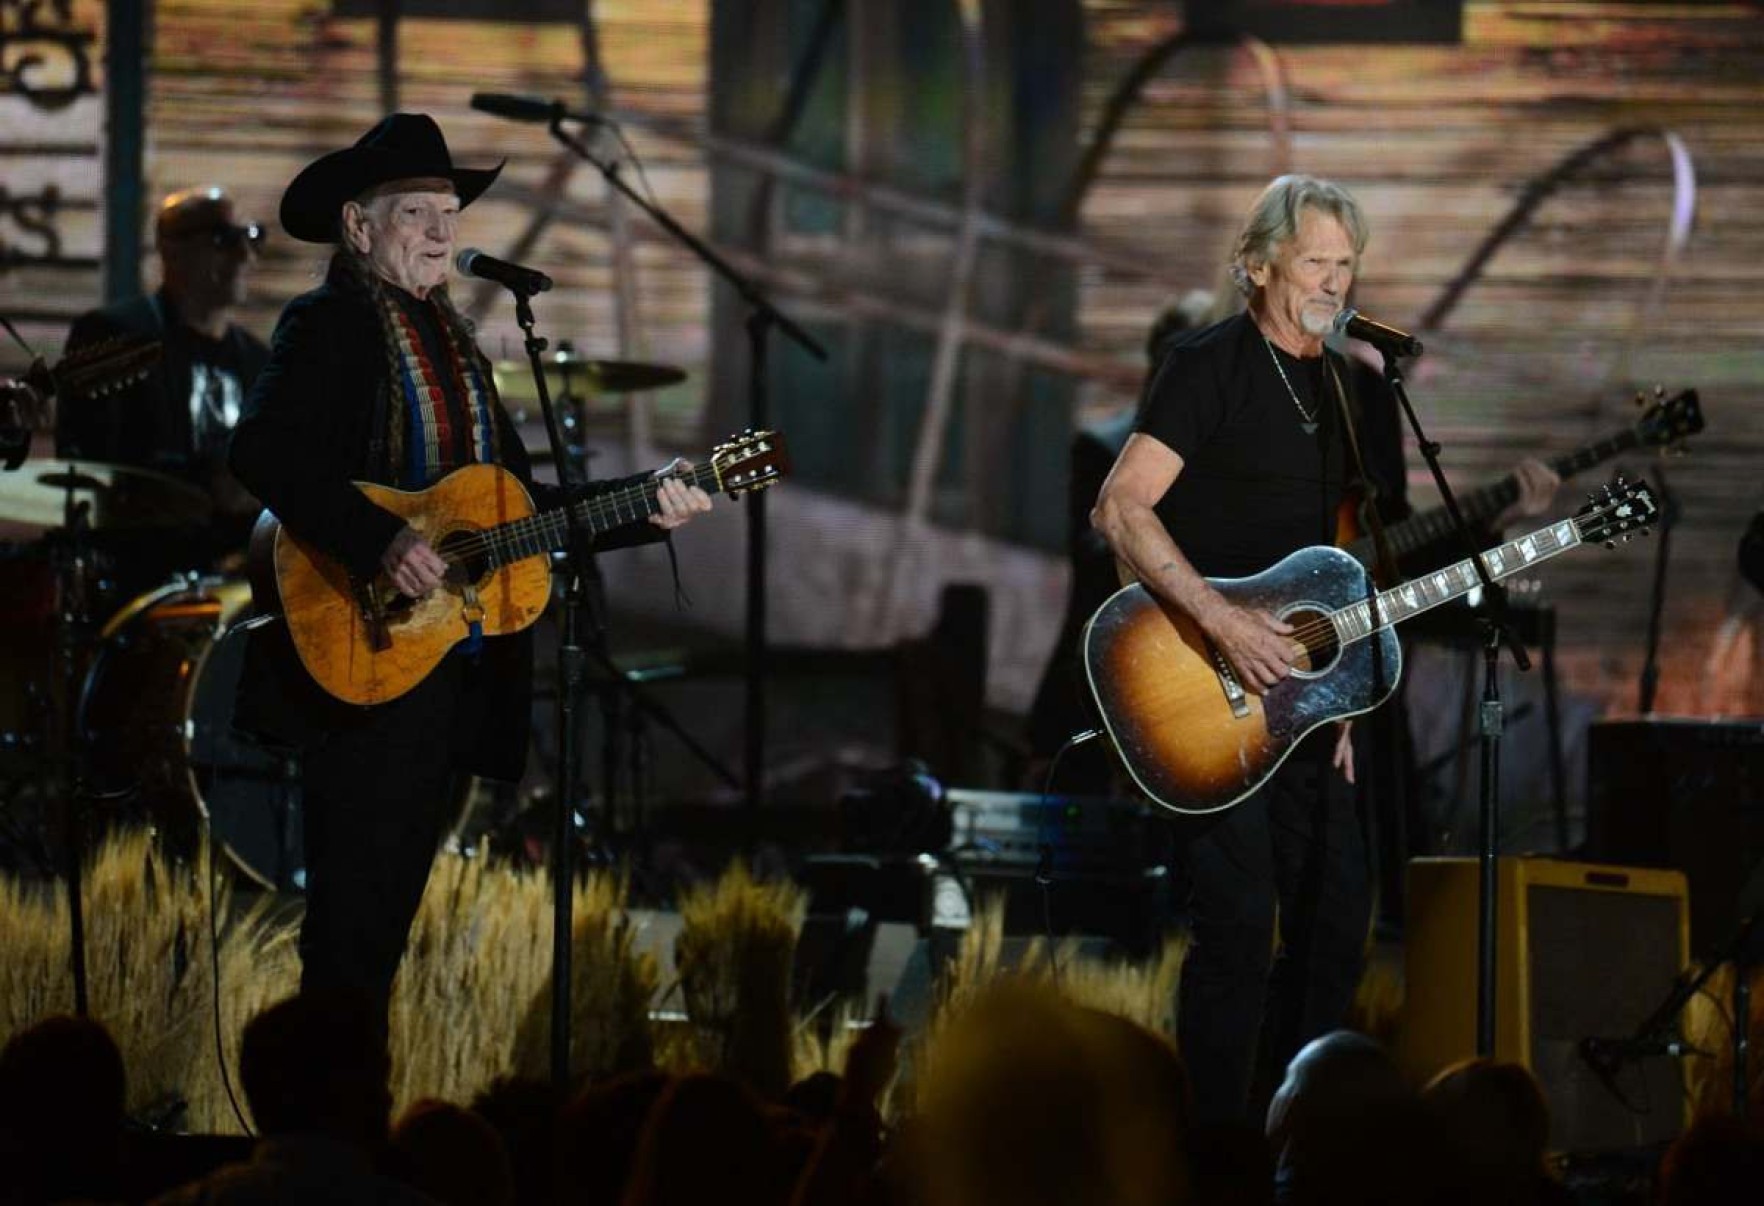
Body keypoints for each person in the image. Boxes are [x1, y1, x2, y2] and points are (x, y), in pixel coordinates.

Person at [227, 113, 712, 1024]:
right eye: (418, 212)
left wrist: (648, 504)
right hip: (362, 663)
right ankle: (326, 1140)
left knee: (382, 935)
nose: (445, 232)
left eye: (450, 211)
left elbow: (518, 518)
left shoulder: (460, 346)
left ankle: (351, 1125)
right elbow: (262, 452)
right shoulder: (328, 323)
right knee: (352, 936)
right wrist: (381, 540)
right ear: (359, 227)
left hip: (444, 677)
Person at [57, 186, 270, 588]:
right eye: (224, 238)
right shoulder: (114, 337)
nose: (246, 254)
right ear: (171, 249)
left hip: (231, 580)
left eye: (254, 236)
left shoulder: (258, 360)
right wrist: (207, 482)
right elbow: (87, 462)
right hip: (138, 578)